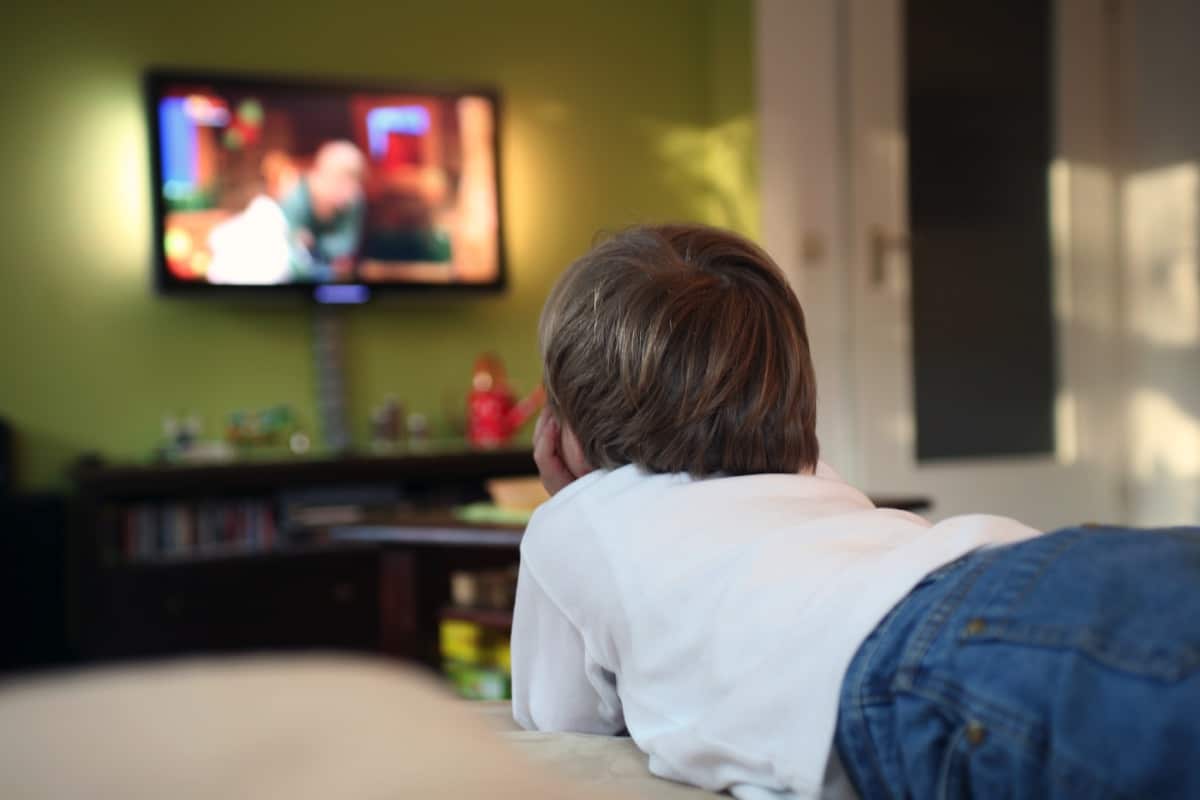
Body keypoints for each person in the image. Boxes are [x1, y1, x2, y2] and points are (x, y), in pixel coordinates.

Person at [511, 224, 1200, 800]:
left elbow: (562, 718)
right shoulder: (810, 481)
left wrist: (568, 500)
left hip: (929, 661)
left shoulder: (577, 521)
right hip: (1017, 569)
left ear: (559, 422)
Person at [279, 140, 366, 281]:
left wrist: (314, 243)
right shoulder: (295, 198)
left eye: (352, 183)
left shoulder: (353, 199)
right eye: (339, 181)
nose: (348, 191)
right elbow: (292, 264)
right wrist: (329, 270)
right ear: (320, 174)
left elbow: (346, 245)